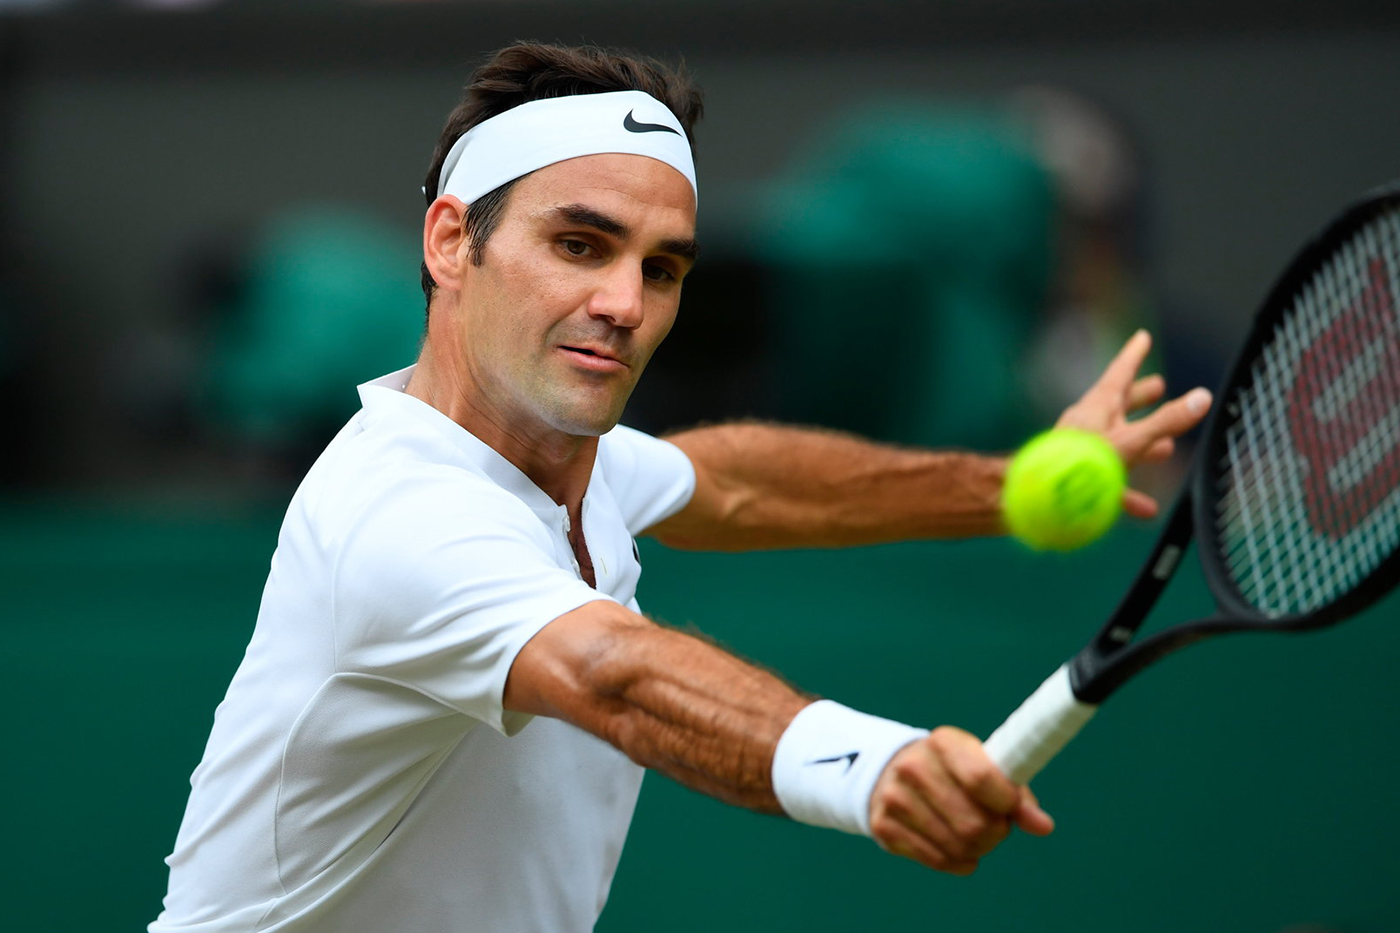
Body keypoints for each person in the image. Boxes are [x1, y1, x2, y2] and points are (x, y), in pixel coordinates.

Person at [149, 42, 1212, 933]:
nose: (622, 301)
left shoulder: (567, 459)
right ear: (450, 242)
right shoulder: (402, 514)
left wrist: (1011, 486)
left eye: (660, 269)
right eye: (578, 244)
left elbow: (740, 484)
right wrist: (872, 768)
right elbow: (614, 673)